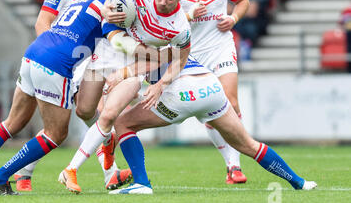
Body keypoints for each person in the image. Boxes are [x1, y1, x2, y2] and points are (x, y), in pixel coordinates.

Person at [0, 0, 132, 195]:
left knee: (12, 123)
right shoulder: (113, 0)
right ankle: (1, 177)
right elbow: (109, 16)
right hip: (57, 64)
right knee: (56, 133)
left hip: (34, 53)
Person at [58, 0, 192, 194]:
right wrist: (108, 11)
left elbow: (181, 58)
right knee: (84, 110)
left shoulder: (180, 27)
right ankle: (108, 138)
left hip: (134, 65)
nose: (161, 1)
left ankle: (71, 169)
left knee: (110, 114)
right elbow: (111, 3)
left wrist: (160, 85)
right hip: (107, 50)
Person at [105, 57, 317, 194]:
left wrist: (117, 78)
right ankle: (299, 182)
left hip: (183, 91)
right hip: (210, 86)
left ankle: (141, 184)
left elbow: (140, 79)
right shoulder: (170, 29)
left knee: (124, 123)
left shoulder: (141, 39)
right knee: (248, 145)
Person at [13, 0, 130, 192]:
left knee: (90, 117)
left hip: (80, 62)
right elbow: (42, 23)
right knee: (65, 125)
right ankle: (20, 172)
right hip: (59, 62)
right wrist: (55, 58)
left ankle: (109, 173)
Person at [180, 0, 251, 184]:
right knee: (211, 111)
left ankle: (235, 167)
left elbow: (243, 1)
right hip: (192, 54)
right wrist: (188, 15)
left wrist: (233, 19)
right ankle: (229, 164)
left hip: (221, 47)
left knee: (231, 102)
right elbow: (165, 18)